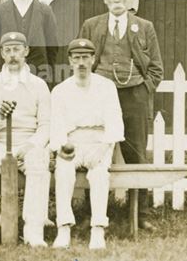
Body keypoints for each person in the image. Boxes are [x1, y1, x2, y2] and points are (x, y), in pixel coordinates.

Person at [79, 0, 164, 231]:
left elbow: (156, 68)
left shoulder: (144, 27)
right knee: (92, 150)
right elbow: (80, 62)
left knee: (137, 152)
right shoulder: (92, 26)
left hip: (133, 97)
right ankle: (90, 212)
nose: (116, 0)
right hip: (99, 97)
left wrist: (142, 90)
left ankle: (140, 214)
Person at [0, 32, 51, 248]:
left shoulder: (38, 85)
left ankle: (33, 231)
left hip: (29, 142)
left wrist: (31, 145)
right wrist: (0, 116)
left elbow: (46, 125)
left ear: (26, 52)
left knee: (38, 160)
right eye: (7, 50)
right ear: (2, 54)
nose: (13, 55)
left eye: (17, 49)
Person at [49, 38, 125, 250]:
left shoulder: (107, 87)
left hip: (99, 141)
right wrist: (63, 146)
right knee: (63, 171)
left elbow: (115, 122)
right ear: (70, 61)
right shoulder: (60, 90)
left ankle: (98, 229)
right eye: (77, 58)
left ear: (93, 59)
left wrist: (103, 147)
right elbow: (56, 125)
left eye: (85, 57)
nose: (81, 62)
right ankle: (63, 228)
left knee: (99, 173)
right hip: (72, 141)